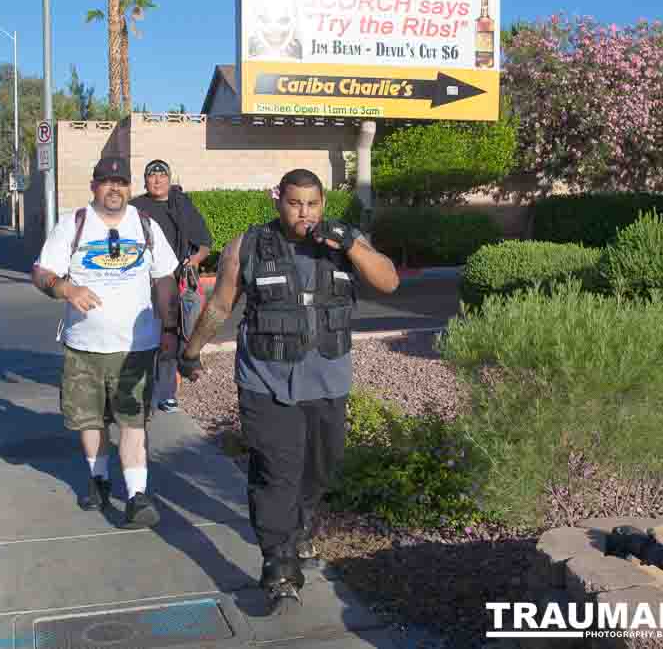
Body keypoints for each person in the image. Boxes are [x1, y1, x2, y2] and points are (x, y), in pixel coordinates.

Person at [177, 169, 399, 615]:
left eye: (312, 204)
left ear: (322, 203)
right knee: (277, 471)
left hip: (327, 380)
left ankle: (299, 529)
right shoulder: (249, 244)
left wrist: (352, 244)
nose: (304, 213)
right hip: (266, 381)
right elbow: (221, 303)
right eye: (295, 203)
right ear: (278, 200)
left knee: (322, 465)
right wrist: (192, 349)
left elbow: (389, 281)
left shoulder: (343, 240)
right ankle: (278, 564)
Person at [31, 156, 180, 530]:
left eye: (121, 182)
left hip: (136, 347)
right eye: (107, 182)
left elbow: (164, 279)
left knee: (133, 423)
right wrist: (65, 288)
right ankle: (99, 480)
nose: (115, 188)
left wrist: (168, 328)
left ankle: (136, 496)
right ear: (94, 186)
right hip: (84, 346)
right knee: (90, 421)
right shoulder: (74, 224)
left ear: (130, 188)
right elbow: (41, 272)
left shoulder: (145, 225)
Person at [130, 159, 212, 414]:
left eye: (161, 176)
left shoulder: (182, 205)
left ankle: (167, 393)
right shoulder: (135, 208)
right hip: (142, 283)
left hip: (175, 281)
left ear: (169, 179)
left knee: (171, 335)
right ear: (145, 180)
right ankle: (135, 390)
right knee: (140, 335)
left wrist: (194, 261)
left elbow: (204, 244)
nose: (156, 180)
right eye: (151, 176)